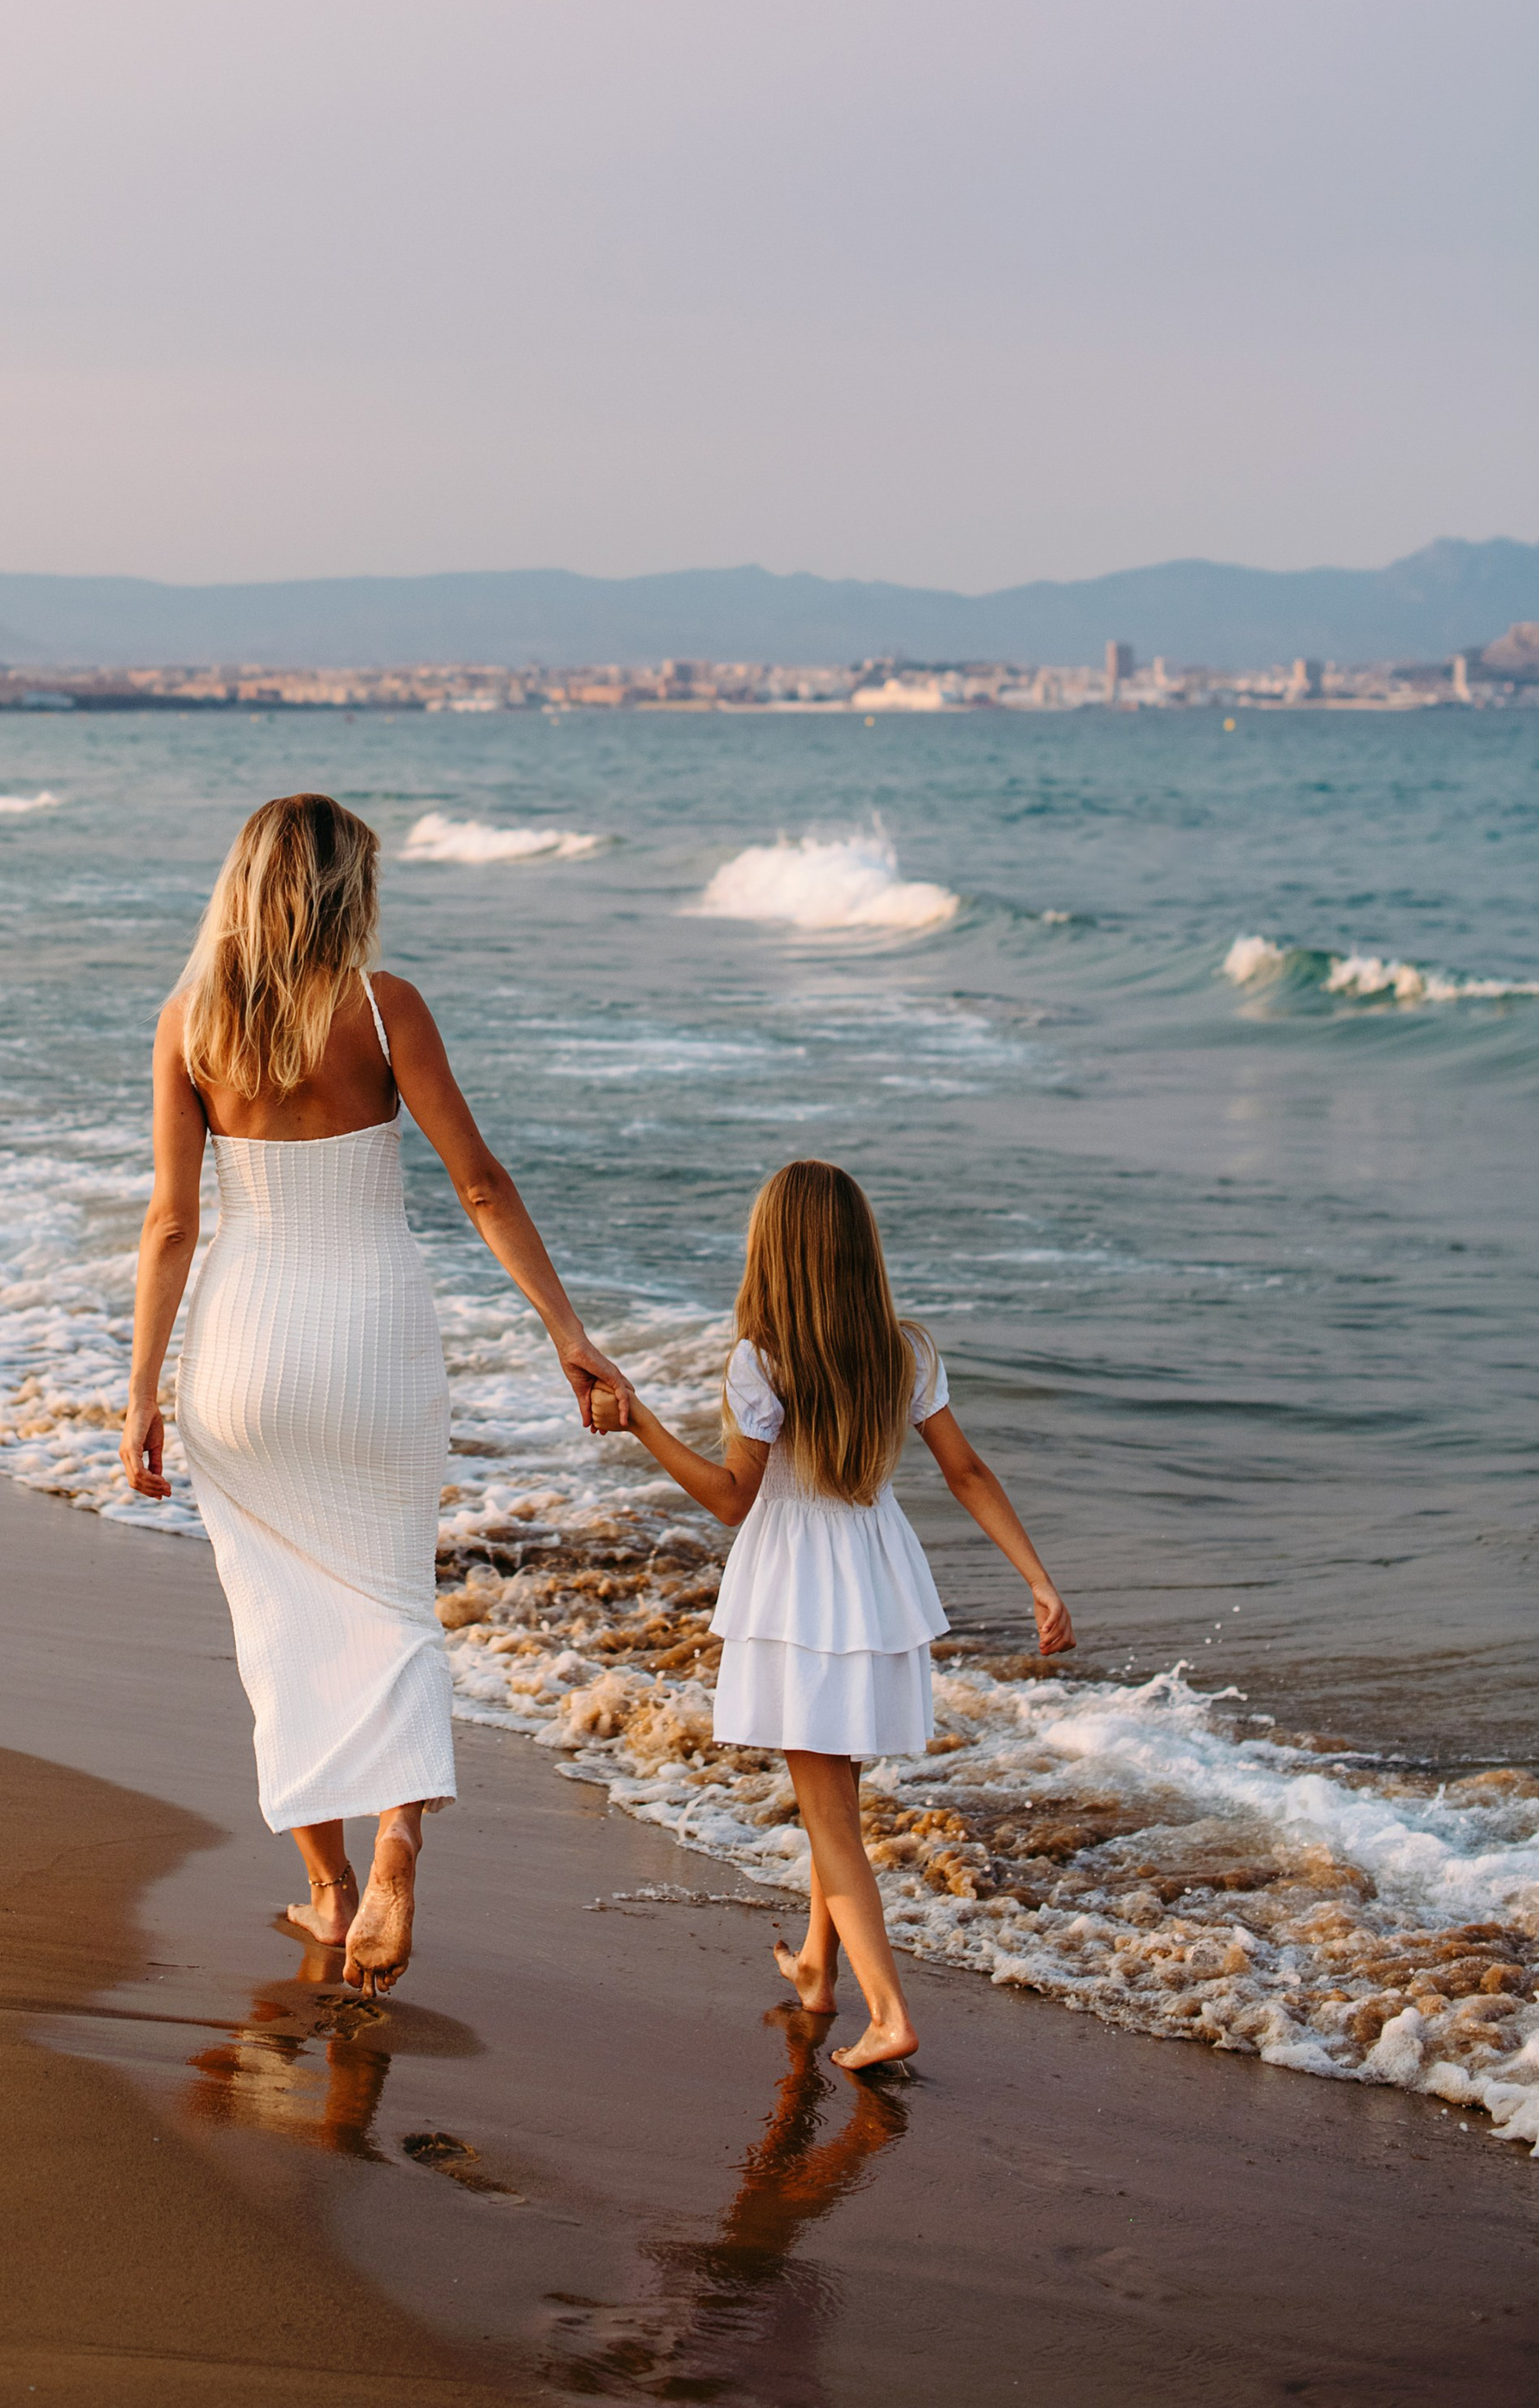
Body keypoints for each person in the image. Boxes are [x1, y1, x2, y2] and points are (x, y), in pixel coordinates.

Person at [121, 792, 633, 1996]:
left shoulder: (189, 1020)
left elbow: (171, 1223)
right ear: (349, 886)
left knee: (277, 1623)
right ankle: (400, 1843)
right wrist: (569, 1332)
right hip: (375, 1341)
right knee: (393, 1605)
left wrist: (140, 1390)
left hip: (241, 1355)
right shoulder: (381, 1007)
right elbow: (482, 1184)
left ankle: (331, 1890)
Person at [589, 1158, 1071, 2070]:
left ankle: (889, 2014)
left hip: (799, 1592)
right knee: (836, 1797)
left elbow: (733, 1500)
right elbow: (965, 1472)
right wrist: (1038, 1580)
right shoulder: (905, 1350)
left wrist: (639, 1421)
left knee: (828, 1817)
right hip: (875, 1582)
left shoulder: (760, 1359)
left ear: (770, 1250)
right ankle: (816, 1966)